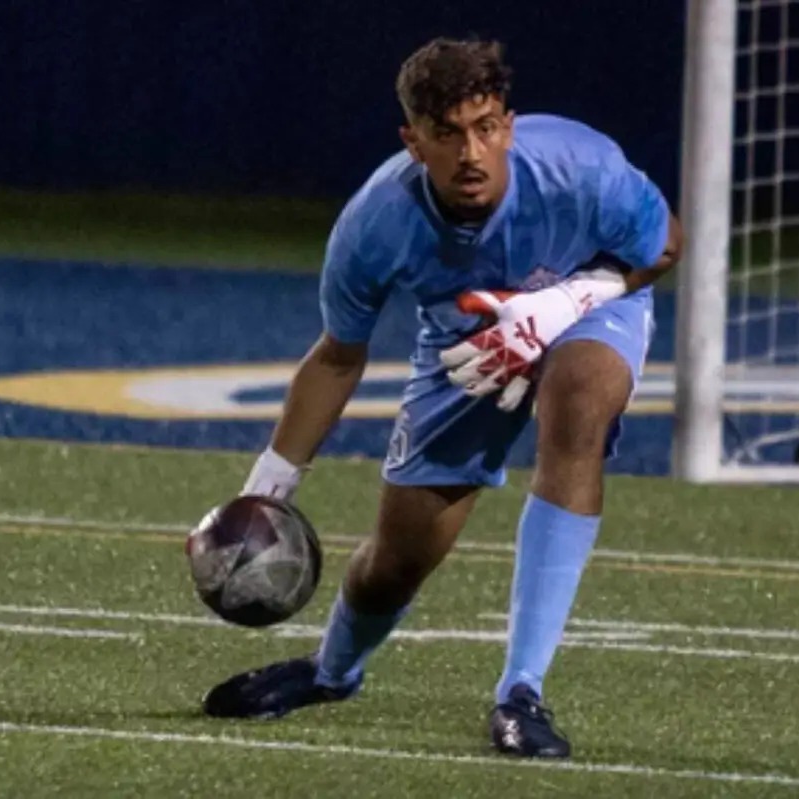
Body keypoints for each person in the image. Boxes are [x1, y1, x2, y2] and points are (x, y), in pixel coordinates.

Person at [202, 36, 683, 759]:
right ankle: (331, 672)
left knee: (577, 409)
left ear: (508, 126)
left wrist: (569, 300)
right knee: (400, 553)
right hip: (470, 341)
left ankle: (520, 691)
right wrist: (267, 490)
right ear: (412, 141)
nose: (471, 153)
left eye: (486, 127)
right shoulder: (374, 223)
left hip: (591, 298)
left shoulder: (578, 166)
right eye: (447, 134)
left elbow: (666, 243)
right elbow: (337, 357)